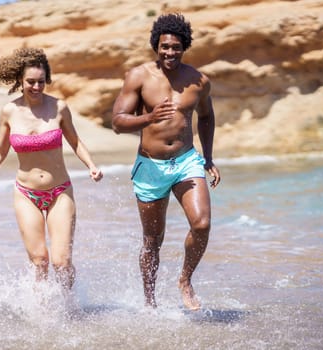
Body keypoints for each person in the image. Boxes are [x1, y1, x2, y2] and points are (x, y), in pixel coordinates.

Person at [0, 47, 103, 291]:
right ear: (20, 81)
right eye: (30, 82)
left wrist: (91, 166)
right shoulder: (9, 111)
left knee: (62, 262)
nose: (36, 87)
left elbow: (76, 142)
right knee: (40, 261)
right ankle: (43, 314)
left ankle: (68, 306)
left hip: (60, 191)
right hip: (26, 193)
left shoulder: (59, 107)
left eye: (41, 82)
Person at [111, 13, 220, 310]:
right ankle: (150, 301)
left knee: (202, 224)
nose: (169, 52)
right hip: (150, 166)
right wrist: (149, 117)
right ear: (155, 46)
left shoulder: (198, 81)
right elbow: (118, 123)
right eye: (164, 46)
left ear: (184, 47)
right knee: (152, 241)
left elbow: (207, 116)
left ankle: (185, 280)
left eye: (175, 47)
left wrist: (208, 158)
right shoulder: (138, 76)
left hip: (186, 161)